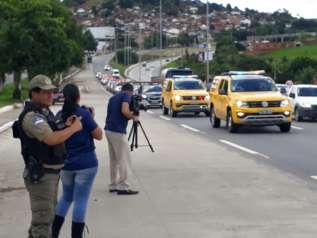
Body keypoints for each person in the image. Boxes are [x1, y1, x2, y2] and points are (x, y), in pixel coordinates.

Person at [13, 75, 82, 238]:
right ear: (34, 93)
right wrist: (74, 129)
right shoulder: (32, 117)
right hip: (41, 176)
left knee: (45, 219)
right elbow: (51, 139)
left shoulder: (43, 113)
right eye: (45, 92)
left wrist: (65, 126)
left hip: (49, 175)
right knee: (43, 223)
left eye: (52, 92)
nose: (51, 95)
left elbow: (51, 131)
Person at [52, 84, 103, 238]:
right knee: (81, 200)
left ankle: (54, 232)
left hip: (66, 164)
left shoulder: (59, 115)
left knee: (66, 197)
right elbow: (99, 135)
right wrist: (91, 118)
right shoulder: (83, 114)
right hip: (86, 164)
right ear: (78, 97)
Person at [105, 83, 139, 195]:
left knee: (114, 159)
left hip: (109, 130)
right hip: (117, 131)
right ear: (130, 91)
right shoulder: (127, 95)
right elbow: (124, 110)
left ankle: (113, 185)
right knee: (123, 158)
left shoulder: (113, 98)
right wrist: (133, 117)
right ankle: (123, 186)